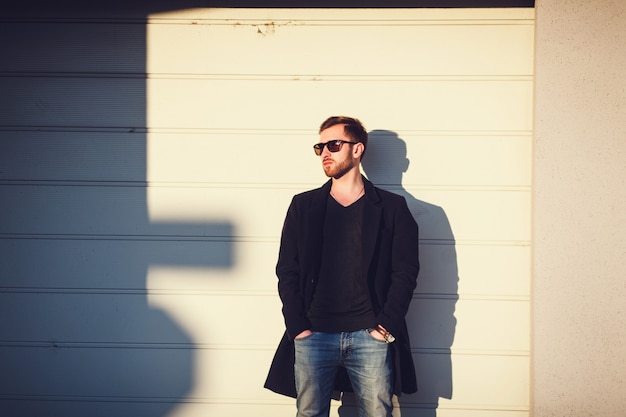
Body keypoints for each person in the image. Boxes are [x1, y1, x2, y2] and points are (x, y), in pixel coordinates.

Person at [264, 116, 420, 417]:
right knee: (309, 414)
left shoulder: (391, 208)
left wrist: (385, 327)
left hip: (370, 334)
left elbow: (405, 273)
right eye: (320, 146)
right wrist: (298, 327)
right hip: (314, 333)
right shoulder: (303, 206)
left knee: (378, 413)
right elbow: (288, 271)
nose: (325, 152)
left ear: (357, 149)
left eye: (334, 145)